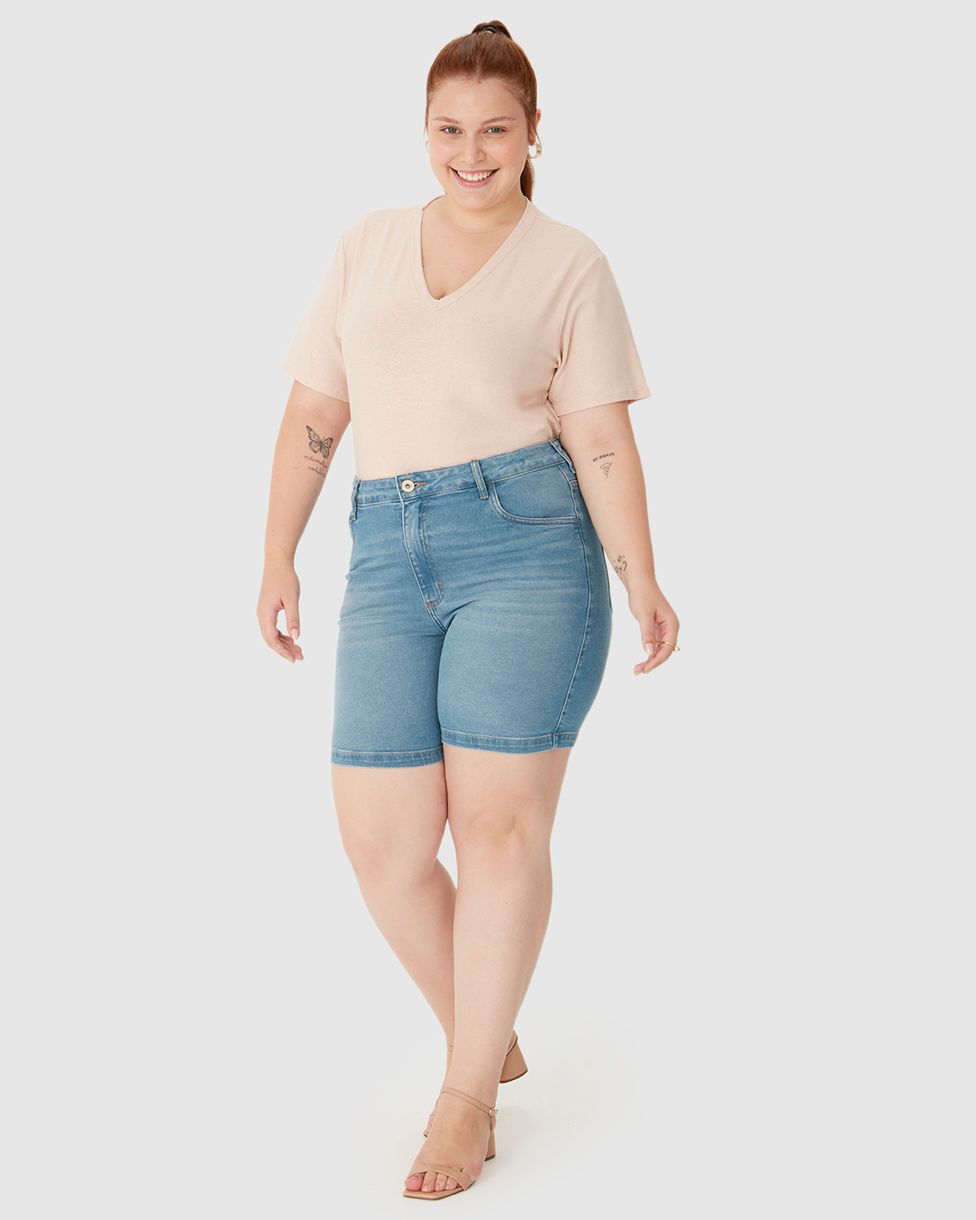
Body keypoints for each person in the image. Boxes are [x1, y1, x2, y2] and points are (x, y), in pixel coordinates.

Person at [257, 19, 680, 1201]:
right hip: (384, 552)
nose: (471, 152)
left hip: (528, 545)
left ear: (534, 132)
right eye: (449, 129)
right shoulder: (366, 245)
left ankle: (465, 1095)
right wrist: (276, 551)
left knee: (495, 828)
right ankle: (488, 1029)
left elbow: (599, 435)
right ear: (424, 131)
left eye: (496, 129)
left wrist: (640, 572)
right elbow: (315, 411)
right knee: (383, 843)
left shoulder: (569, 263)